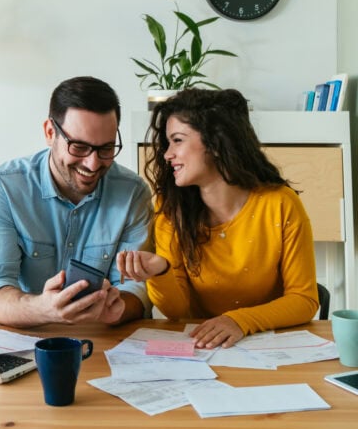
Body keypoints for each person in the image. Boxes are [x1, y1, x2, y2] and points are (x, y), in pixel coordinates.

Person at [117, 88, 319, 348]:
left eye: (177, 140)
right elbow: (177, 312)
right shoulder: (171, 211)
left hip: (270, 347)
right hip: (204, 348)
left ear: (215, 142)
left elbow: (304, 300)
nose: (167, 154)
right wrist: (161, 271)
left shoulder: (281, 203)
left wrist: (239, 321)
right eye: (168, 143)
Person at [0, 76, 153, 328]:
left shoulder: (133, 193)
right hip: (26, 337)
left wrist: (120, 307)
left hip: (102, 339)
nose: (93, 164)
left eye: (106, 148)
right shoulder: (3, 188)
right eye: (79, 147)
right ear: (49, 132)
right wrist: (43, 309)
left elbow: (137, 289)